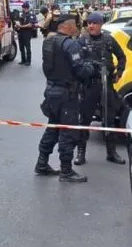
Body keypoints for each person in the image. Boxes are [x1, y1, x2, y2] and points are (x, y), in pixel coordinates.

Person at [36, 14, 98, 183]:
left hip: (51, 90)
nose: (77, 27)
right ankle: (66, 171)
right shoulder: (69, 44)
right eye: (75, 25)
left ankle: (41, 163)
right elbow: (80, 69)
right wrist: (92, 69)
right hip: (66, 94)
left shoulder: (49, 41)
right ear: (68, 26)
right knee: (68, 132)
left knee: (53, 128)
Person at [75, 12, 127, 165]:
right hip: (89, 86)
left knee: (109, 120)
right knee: (84, 120)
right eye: (89, 23)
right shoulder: (82, 41)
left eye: (94, 23)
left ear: (101, 24)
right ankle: (80, 153)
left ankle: (111, 153)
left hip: (107, 85)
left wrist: (119, 72)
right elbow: (76, 63)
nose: (91, 25)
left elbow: (122, 57)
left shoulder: (109, 40)